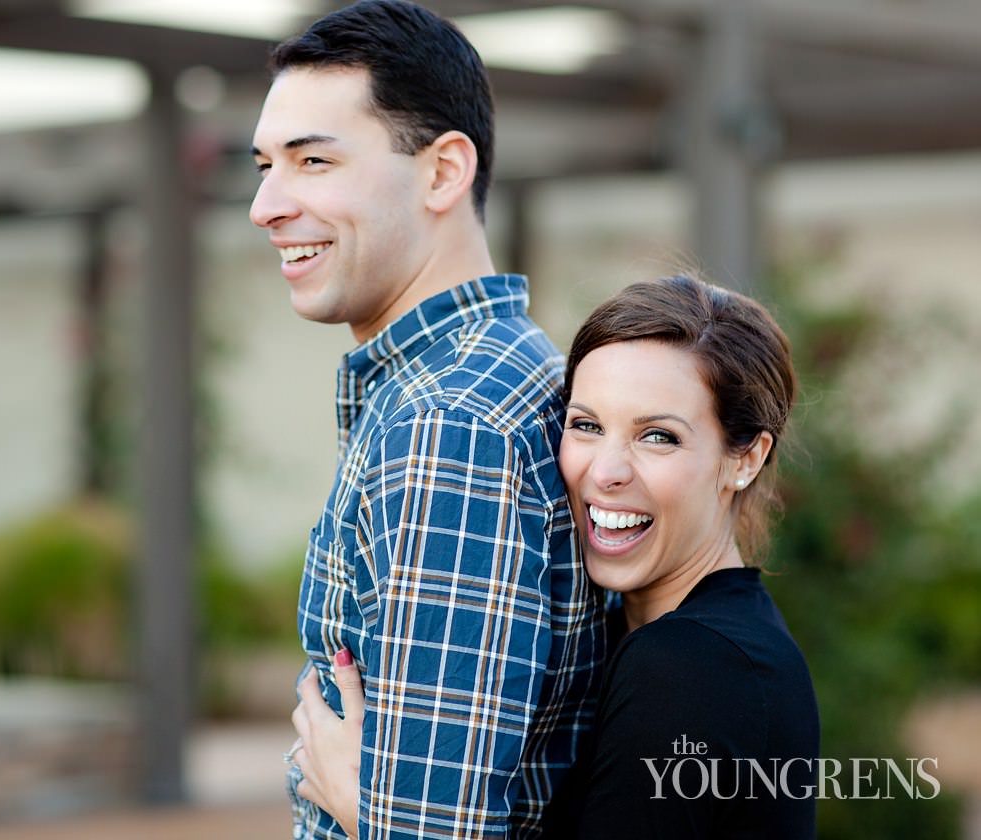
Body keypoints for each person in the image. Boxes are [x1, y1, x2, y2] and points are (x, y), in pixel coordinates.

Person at [248, 2, 605, 838]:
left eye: (312, 161)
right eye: (264, 165)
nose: (265, 205)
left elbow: (430, 829)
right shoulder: (494, 374)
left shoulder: (449, 423)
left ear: (444, 172)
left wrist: (352, 805)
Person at [294, 274, 820, 839]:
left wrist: (365, 813)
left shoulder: (688, 667)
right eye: (587, 425)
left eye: (658, 437)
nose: (606, 471)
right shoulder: (674, 634)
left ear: (745, 459)